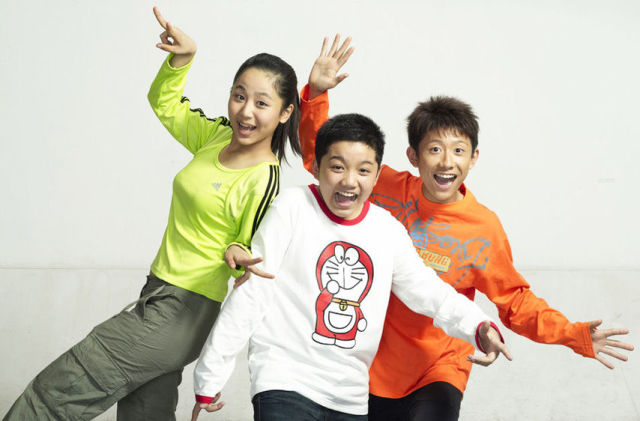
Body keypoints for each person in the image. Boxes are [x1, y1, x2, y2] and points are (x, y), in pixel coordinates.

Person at [297, 35, 634, 421]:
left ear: (473, 158)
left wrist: (573, 335)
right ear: (413, 156)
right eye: (434, 149)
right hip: (370, 360)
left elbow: (515, 302)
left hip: (441, 366)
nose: (446, 161)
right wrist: (316, 95)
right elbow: (323, 159)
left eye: (458, 150)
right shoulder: (385, 188)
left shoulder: (483, 228)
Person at [3, 7, 300, 421]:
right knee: (145, 413)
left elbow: (251, 247)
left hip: (187, 308)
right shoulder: (216, 137)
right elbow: (166, 104)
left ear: (285, 113)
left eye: (262, 103)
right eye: (239, 95)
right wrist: (183, 59)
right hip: (157, 289)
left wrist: (237, 254)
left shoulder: (264, 177)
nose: (246, 111)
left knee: (60, 389)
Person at [190, 113, 512, 421]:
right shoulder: (292, 207)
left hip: (350, 397)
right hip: (284, 380)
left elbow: (429, 292)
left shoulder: (387, 230)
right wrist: (210, 376)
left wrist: (479, 326)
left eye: (363, 171)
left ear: (376, 176)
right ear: (316, 167)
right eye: (337, 167)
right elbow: (253, 291)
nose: (349, 181)